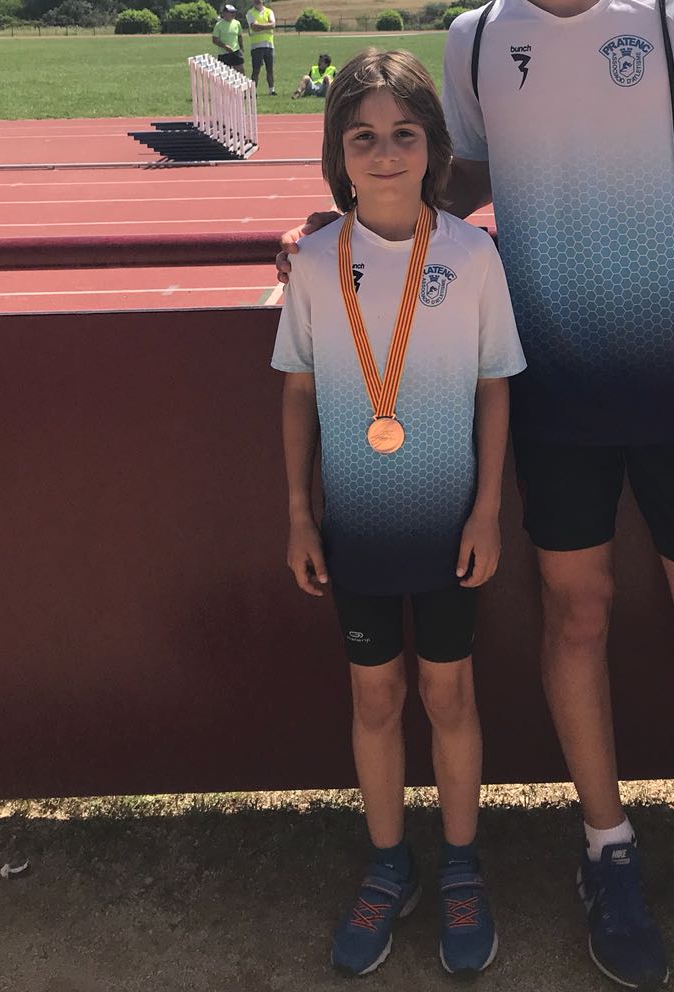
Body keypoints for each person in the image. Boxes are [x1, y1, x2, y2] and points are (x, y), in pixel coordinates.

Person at [280, 0, 674, 991]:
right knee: (574, 615)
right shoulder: (473, 41)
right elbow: (455, 188)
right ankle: (606, 848)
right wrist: (339, 230)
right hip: (550, 381)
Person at [275, 48, 526, 978]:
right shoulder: (313, 262)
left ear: (435, 149)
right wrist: (300, 515)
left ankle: (461, 865)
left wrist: (487, 510)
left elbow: (496, 386)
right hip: (355, 529)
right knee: (375, 698)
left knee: (448, 694)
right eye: (363, 138)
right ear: (338, 155)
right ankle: (390, 866)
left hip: (449, 523)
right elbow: (298, 390)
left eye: (404, 135)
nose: (385, 155)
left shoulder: (472, 255)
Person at [246, 0, 276, 94]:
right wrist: (266, 26)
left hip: (269, 45)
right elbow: (253, 27)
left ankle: (272, 90)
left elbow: (273, 25)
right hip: (256, 46)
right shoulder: (250, 13)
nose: (256, 1)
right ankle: (253, 91)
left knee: (270, 69)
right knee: (256, 70)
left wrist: (259, 26)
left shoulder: (269, 11)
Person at [211, 4, 245, 70]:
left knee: (240, 73)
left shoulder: (237, 23)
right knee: (225, 74)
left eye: (234, 12)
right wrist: (225, 47)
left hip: (236, 51)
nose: (233, 14)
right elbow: (215, 40)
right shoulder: (219, 25)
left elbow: (239, 36)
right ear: (224, 13)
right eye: (231, 12)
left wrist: (241, 46)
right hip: (223, 54)